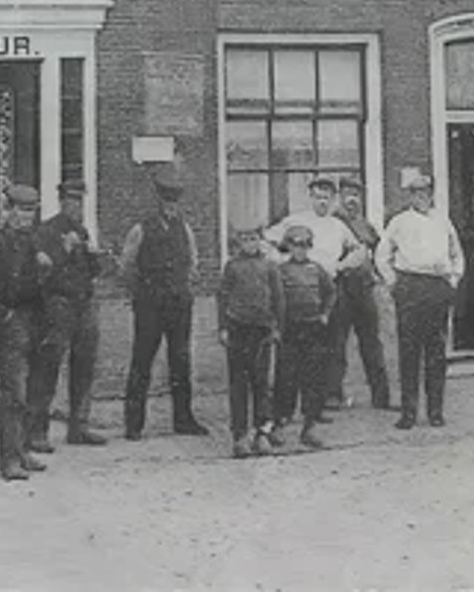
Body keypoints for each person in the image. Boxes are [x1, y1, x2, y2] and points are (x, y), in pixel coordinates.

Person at [119, 165, 207, 439]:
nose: (171, 207)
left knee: (181, 361)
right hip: (150, 305)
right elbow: (127, 266)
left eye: (175, 202)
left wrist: (183, 286)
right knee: (142, 362)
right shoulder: (140, 229)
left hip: (179, 305)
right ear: (159, 201)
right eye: (167, 201)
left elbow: (193, 264)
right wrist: (143, 292)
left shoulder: (186, 229)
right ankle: (134, 424)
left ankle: (183, 419)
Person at [377, 169, 464, 430]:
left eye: (426, 192)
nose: (422, 197)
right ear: (410, 196)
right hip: (410, 288)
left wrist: (453, 280)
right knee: (409, 352)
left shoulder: (442, 221)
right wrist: (393, 282)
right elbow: (382, 255)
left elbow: (456, 253)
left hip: (437, 288)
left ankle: (435, 412)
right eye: (417, 193)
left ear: (431, 194)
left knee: (436, 353)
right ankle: (409, 413)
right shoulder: (399, 222)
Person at [28, 178, 106, 451]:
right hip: (57, 305)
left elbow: (92, 271)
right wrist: (64, 249)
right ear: (62, 202)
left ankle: (79, 427)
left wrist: (95, 257)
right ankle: (37, 431)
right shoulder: (46, 232)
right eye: (72, 202)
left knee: (84, 366)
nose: (77, 208)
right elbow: (41, 272)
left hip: (84, 304)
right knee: (48, 367)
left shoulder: (82, 231)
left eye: (80, 203)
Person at [0, 184, 51, 482]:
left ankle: (22, 451)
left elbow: (38, 284)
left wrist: (45, 269)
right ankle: (9, 459)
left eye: (31, 211)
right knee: (14, 394)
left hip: (32, 321)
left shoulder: (30, 242)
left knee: (28, 392)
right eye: (23, 210)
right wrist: (2, 316)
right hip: (9, 323)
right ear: (8, 210)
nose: (27, 217)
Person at [216, 226, 285, 459]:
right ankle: (239, 436)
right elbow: (222, 297)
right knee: (238, 383)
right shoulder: (232, 267)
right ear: (238, 242)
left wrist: (277, 327)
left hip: (262, 331)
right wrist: (223, 327)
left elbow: (278, 298)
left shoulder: (269, 267)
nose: (249, 243)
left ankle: (262, 433)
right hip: (238, 329)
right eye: (244, 239)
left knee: (261, 383)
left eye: (253, 238)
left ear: (260, 241)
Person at [273, 225, 337, 451]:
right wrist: (276, 326)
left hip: (312, 329)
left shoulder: (316, 269)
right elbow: (273, 298)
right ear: (288, 246)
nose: (300, 250)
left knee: (312, 379)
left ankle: (309, 427)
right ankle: (279, 425)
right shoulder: (280, 271)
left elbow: (330, 292)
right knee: (286, 378)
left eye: (304, 245)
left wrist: (325, 315)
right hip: (290, 330)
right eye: (295, 245)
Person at [332, 174, 392, 410]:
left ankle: (381, 397)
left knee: (372, 344)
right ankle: (333, 396)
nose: (352, 200)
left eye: (356, 195)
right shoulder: (335, 223)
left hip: (365, 292)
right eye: (348, 194)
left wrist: (380, 277)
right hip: (341, 291)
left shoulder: (366, 225)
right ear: (340, 196)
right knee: (337, 344)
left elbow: (379, 252)